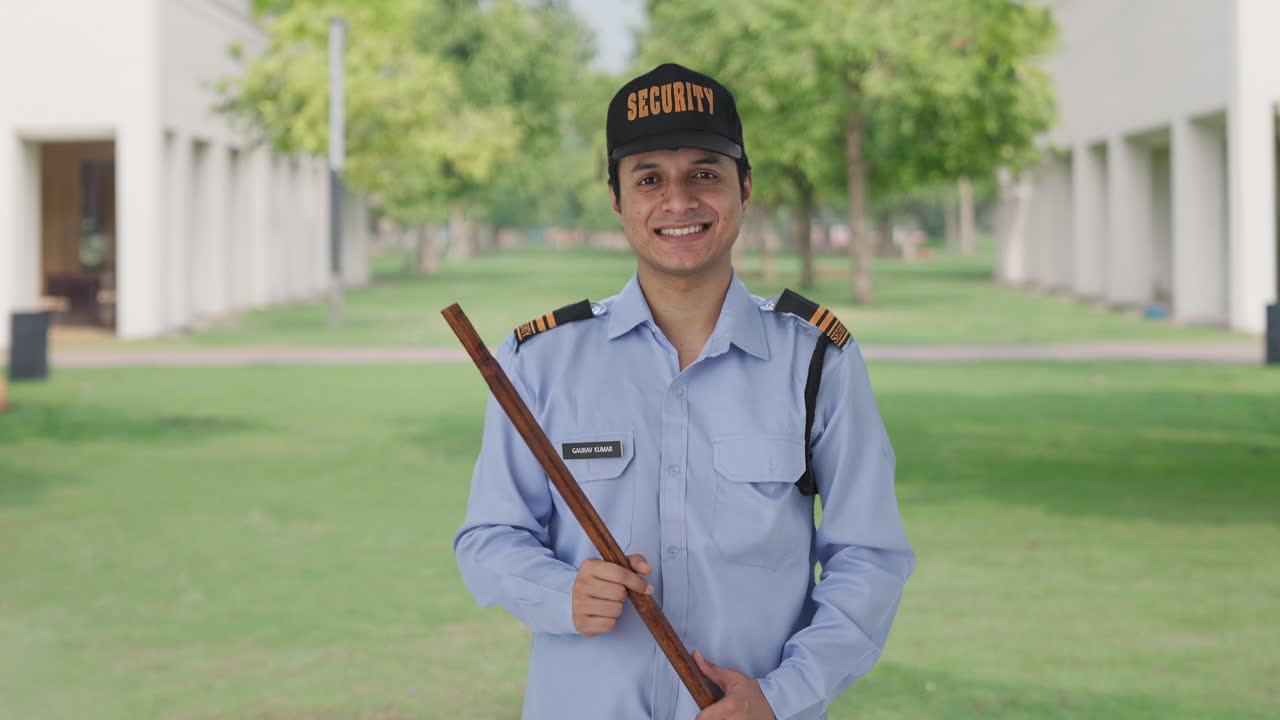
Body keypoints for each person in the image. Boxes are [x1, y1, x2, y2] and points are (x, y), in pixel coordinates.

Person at [453, 63, 915, 720]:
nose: (679, 201)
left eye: (704, 173)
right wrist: (559, 593)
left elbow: (869, 558)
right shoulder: (540, 361)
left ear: (744, 188)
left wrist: (782, 696)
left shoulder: (816, 360)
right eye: (649, 179)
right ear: (616, 199)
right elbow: (489, 536)